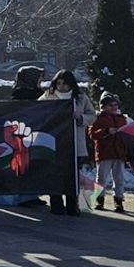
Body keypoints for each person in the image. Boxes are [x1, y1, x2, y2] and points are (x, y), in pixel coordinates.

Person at [39, 69, 93, 216]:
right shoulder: (48, 96)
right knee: (55, 174)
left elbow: (92, 115)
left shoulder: (81, 98)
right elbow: (37, 111)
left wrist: (81, 117)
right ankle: (56, 204)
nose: (61, 87)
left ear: (71, 84)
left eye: (64, 84)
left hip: (74, 144)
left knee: (72, 177)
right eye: (59, 83)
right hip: (55, 144)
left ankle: (72, 205)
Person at [88, 92, 129, 213]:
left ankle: (119, 201)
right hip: (104, 153)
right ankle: (99, 200)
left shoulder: (122, 119)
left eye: (115, 105)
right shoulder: (98, 118)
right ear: (103, 106)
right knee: (101, 178)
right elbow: (92, 134)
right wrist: (106, 131)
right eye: (110, 105)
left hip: (119, 154)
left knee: (119, 179)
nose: (114, 107)